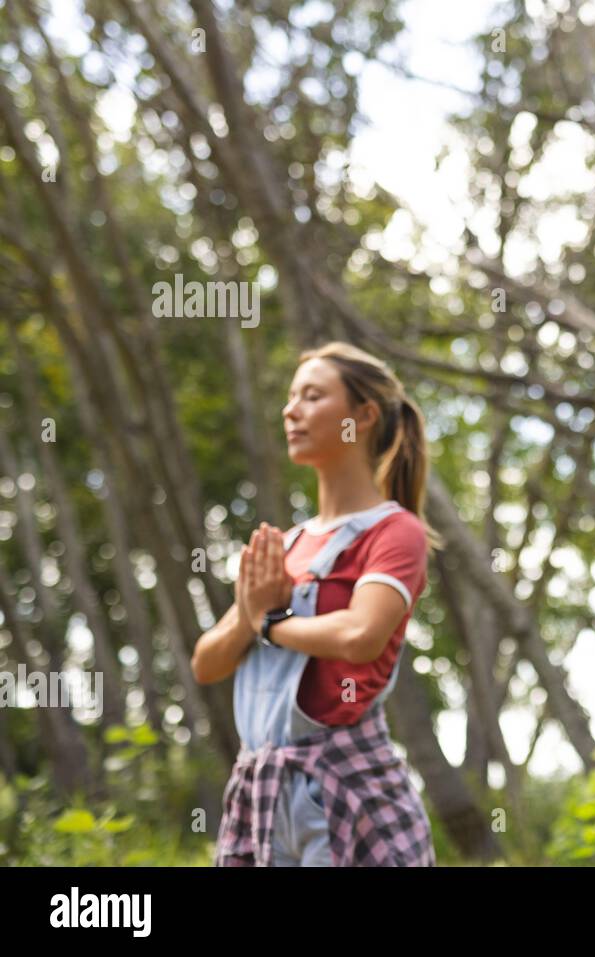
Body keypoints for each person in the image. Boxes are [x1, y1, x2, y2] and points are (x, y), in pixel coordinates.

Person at [193, 341, 442, 866]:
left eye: (312, 396)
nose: (291, 410)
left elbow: (359, 636)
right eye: (290, 398)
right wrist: (252, 613)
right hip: (261, 794)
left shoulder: (396, 531)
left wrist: (269, 620)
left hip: (348, 788)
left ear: (363, 416)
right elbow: (206, 662)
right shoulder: (283, 545)